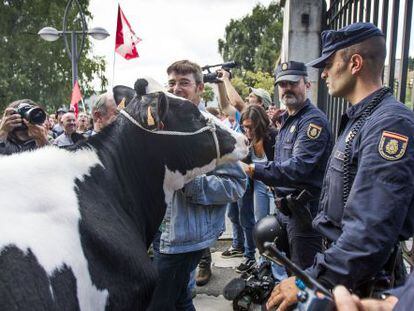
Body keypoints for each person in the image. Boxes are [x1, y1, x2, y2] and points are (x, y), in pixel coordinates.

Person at [266, 22, 414, 311]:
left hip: (361, 284)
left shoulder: (389, 124)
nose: (323, 73)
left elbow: (370, 231)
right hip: (341, 270)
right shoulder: (362, 119)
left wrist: (308, 281)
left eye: (329, 64)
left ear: (355, 63)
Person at [148, 60, 247, 311]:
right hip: (158, 232)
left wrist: (188, 182)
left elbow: (237, 184)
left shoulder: (215, 130)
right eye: (171, 83)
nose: (176, 88)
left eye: (184, 83)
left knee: (158, 303)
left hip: (183, 240)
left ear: (200, 88)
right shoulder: (157, 126)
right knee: (181, 299)